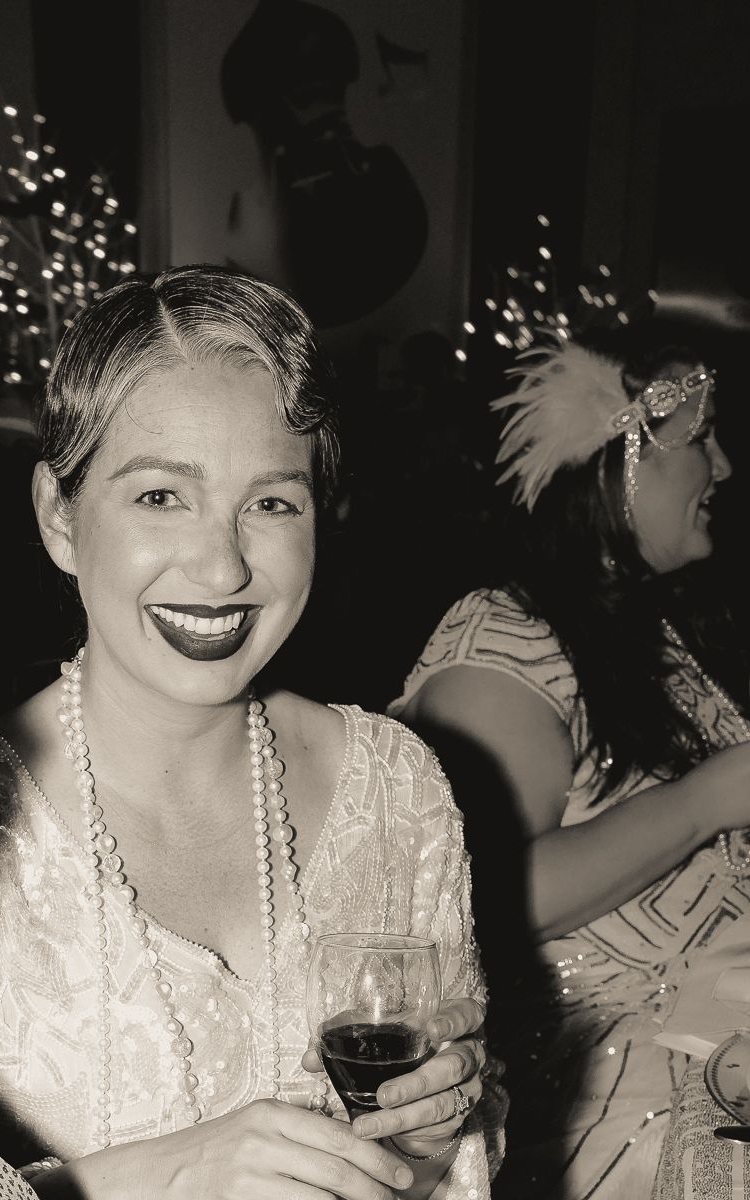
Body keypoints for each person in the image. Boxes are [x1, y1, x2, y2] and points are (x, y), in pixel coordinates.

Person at [0, 266, 505, 1198]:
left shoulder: (398, 789)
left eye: (272, 503)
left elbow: (440, 1168)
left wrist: (421, 1142)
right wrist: (161, 1175)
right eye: (161, 496)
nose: (222, 565)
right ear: (58, 516)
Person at [389, 323, 750, 1199]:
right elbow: (487, 891)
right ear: (616, 459)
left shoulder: (654, 632)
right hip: (613, 1135)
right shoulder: (501, 640)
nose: (725, 467)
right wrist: (711, 800)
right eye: (699, 437)